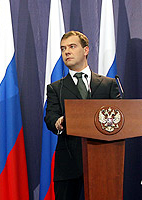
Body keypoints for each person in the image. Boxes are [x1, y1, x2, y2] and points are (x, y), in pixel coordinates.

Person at [44, 31, 120, 200]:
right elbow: (50, 117)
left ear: (86, 50)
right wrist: (59, 121)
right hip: (68, 166)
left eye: (72, 46)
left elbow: (120, 118)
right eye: (63, 49)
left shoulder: (108, 85)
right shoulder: (56, 88)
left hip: (103, 164)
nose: (67, 52)